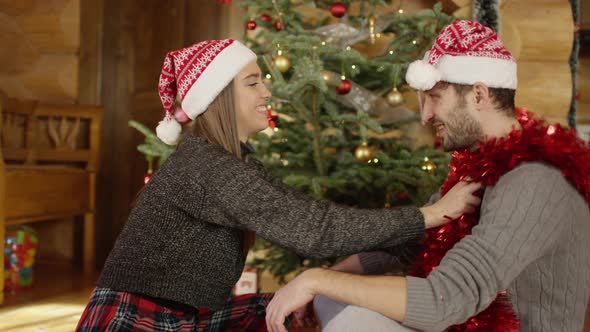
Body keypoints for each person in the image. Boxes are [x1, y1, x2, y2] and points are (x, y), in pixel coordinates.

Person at [75, 39, 480, 331]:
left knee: (304, 306)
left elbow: (304, 215)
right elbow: (315, 230)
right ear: (217, 98)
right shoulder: (205, 165)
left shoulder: (234, 162)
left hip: (190, 314)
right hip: (142, 319)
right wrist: (428, 215)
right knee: (307, 306)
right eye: (253, 83)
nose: (267, 92)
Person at [266, 20, 590, 332]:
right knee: (331, 302)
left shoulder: (535, 181)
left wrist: (316, 279)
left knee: (352, 320)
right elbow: (406, 247)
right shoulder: (478, 170)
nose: (426, 116)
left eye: (435, 97)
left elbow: (445, 299)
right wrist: (326, 279)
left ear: (478, 95)